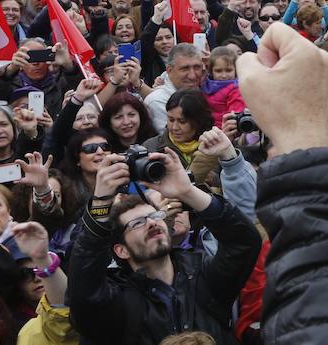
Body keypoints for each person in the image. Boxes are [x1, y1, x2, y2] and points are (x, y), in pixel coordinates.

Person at [66, 140, 261, 345]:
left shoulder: (204, 278)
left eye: (155, 215)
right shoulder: (117, 303)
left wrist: (188, 192)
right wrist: (100, 203)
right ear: (121, 250)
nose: (151, 223)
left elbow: (244, 242)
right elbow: (83, 295)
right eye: (137, 223)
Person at [144, 44, 206, 133]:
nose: (192, 76)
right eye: (185, 69)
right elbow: (175, 139)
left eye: (197, 68)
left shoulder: (206, 91)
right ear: (169, 70)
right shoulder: (157, 101)